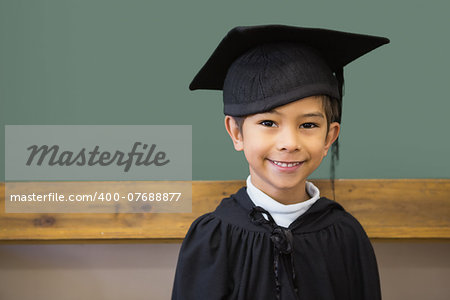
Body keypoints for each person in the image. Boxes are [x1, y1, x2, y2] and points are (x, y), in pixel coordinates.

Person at [172, 24, 389, 300]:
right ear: (236, 133)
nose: (289, 142)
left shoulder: (346, 236)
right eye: (268, 122)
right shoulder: (213, 238)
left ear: (329, 137)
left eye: (308, 124)